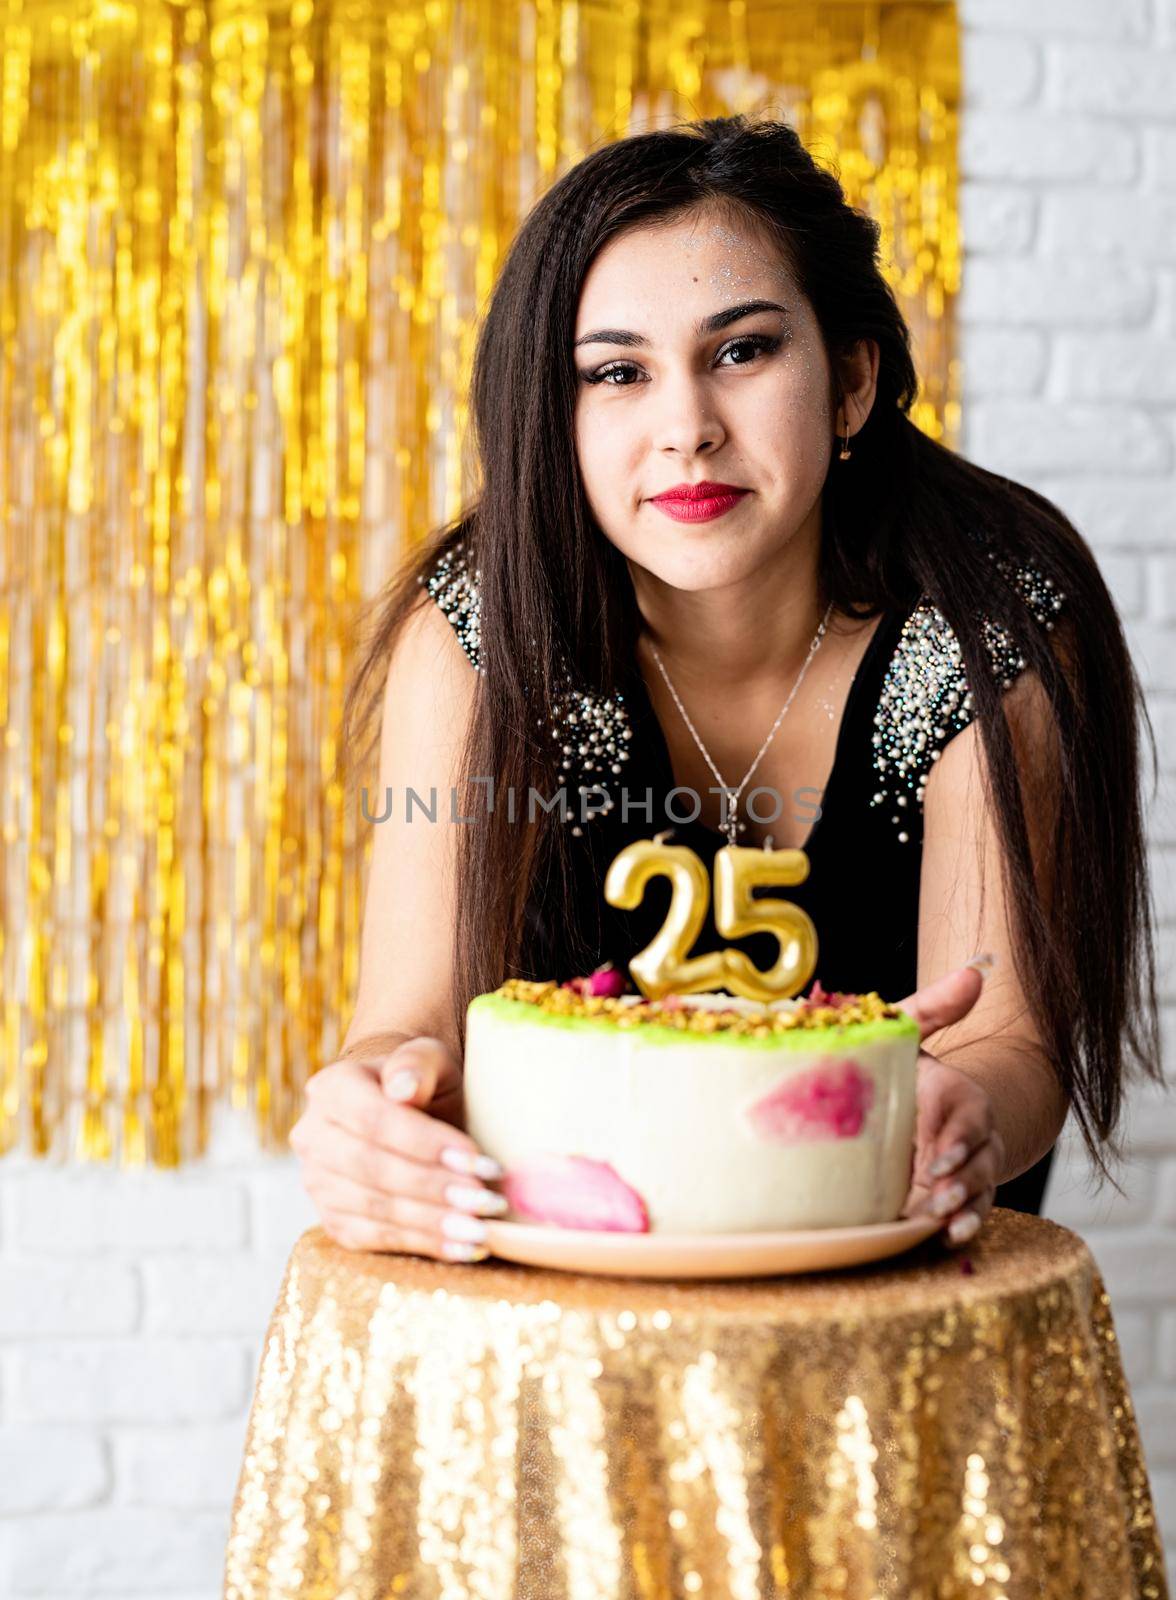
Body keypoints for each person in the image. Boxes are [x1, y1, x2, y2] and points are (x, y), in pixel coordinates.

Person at [288, 114, 1161, 1266]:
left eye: (742, 351)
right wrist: (371, 1114)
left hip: (894, 1298)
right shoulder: (478, 632)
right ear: (553, 417)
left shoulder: (982, 621)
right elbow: (408, 1021)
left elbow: (1008, 1036)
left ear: (850, 381)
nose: (687, 430)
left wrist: (961, 1112)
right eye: (617, 373)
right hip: (566, 1299)